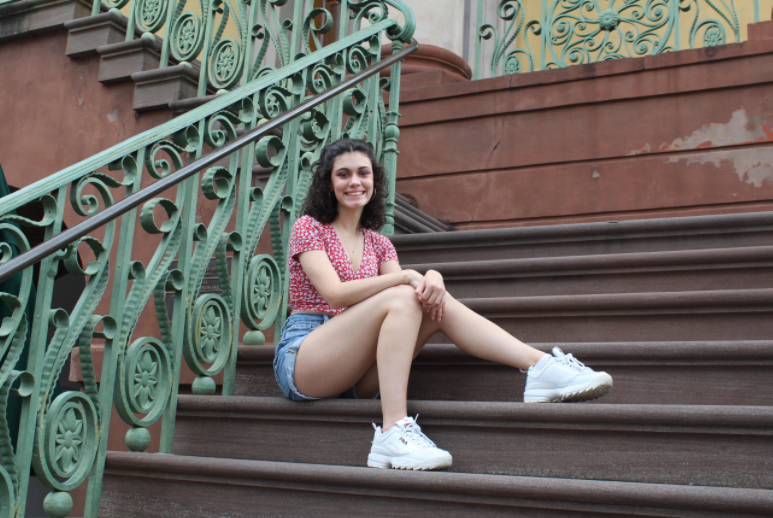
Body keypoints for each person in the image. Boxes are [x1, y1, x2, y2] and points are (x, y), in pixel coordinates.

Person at [273, 138, 613, 471]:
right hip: (308, 357)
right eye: (343, 174)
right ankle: (393, 429)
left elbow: (410, 293)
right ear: (328, 183)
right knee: (404, 293)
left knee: (426, 300)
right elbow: (335, 294)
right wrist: (407, 276)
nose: (355, 182)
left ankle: (539, 367)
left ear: (374, 181)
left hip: (359, 371)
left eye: (363, 173)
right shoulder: (309, 228)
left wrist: (432, 277)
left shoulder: (379, 244)